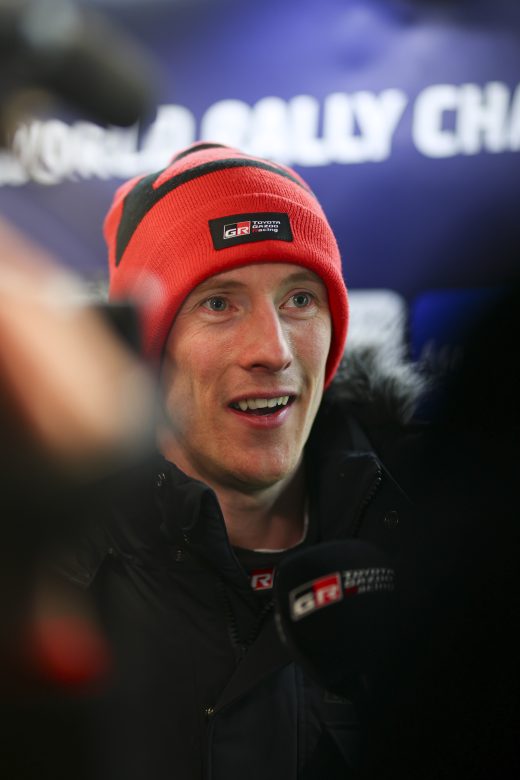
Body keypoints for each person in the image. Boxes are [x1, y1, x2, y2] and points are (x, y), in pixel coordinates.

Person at [60, 142, 422, 780]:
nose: (273, 350)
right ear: (150, 351)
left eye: (300, 299)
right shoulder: (53, 569)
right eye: (219, 303)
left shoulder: (441, 526)